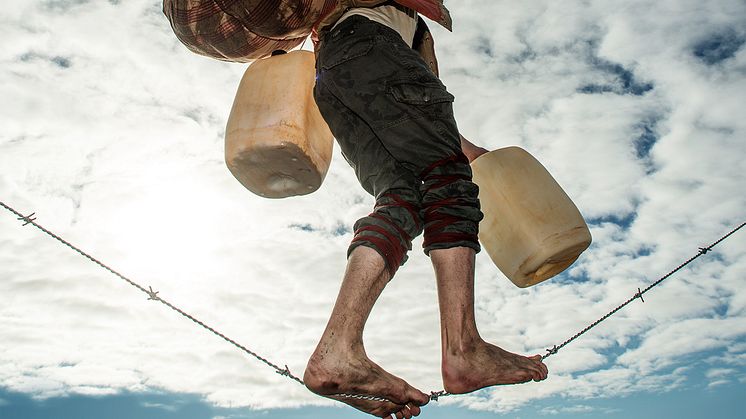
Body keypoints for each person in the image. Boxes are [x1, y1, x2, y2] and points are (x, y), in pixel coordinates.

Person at [303, 1, 549, 418]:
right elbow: (413, 94)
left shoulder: (379, 26)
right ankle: (463, 348)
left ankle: (338, 351)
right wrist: (455, 158)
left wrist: (466, 150)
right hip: (368, 46)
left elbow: (415, 109)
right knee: (448, 182)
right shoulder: (390, 19)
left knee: (402, 199)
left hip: (333, 75)